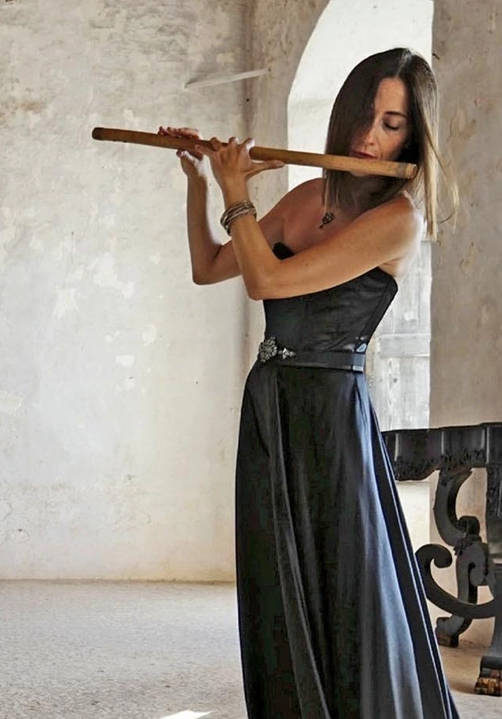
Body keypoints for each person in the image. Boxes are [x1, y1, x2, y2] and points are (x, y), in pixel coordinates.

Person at [161, 47, 458, 718]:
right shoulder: (306, 198)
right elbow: (211, 267)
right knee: (278, 579)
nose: (369, 138)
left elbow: (267, 279)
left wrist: (239, 192)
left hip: (331, 411)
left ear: (413, 135)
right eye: (364, 116)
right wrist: (202, 182)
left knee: (343, 581)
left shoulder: (398, 220)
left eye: (391, 124)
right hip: (270, 404)